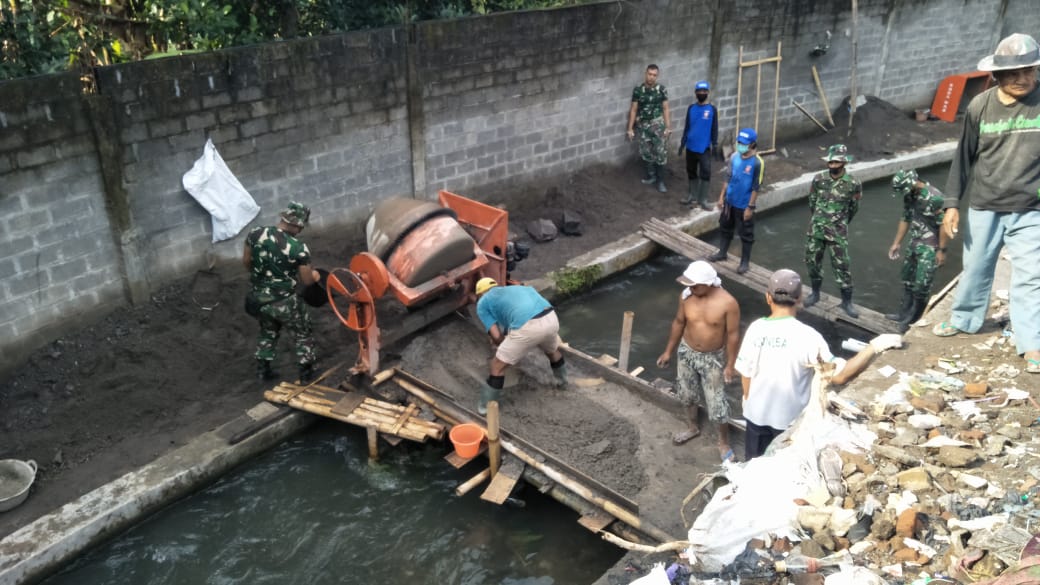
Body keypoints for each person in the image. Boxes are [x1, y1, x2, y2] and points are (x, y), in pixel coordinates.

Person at [932, 33, 1040, 375]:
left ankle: (1031, 340)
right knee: (976, 267)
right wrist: (951, 203)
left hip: (1030, 208)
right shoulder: (980, 107)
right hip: (985, 205)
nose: (1022, 79)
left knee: (1032, 276)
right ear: (997, 76)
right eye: (1013, 73)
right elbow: (962, 158)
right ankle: (965, 318)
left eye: (1029, 71)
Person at [735, 269, 884, 460]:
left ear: (768, 297)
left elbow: (746, 373)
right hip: (789, 423)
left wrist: (749, 400)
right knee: (785, 470)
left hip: (756, 416)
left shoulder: (756, 329)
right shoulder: (808, 336)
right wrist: (873, 347)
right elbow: (839, 376)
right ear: (799, 299)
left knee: (754, 468)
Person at [656, 261, 740, 462]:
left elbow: (733, 335)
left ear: (709, 283)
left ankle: (723, 442)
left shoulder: (728, 303)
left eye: (695, 285)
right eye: (689, 285)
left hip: (712, 358)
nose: (690, 288)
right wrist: (668, 351)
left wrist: (730, 364)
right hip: (687, 352)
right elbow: (679, 322)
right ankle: (693, 427)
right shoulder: (686, 297)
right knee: (686, 393)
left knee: (716, 402)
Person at [243, 201, 320, 383]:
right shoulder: (298, 248)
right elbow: (307, 280)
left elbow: (247, 262)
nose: (300, 230)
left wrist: (263, 278)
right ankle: (306, 374)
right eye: (301, 226)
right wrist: (315, 275)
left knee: (268, 332)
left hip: (259, 298)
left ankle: (263, 372)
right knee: (303, 332)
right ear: (297, 224)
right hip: (284, 301)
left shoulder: (255, 234)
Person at [474, 277, 567, 415]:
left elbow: (496, 335)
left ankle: (485, 408)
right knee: (552, 351)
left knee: (496, 366)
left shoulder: (483, 302)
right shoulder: (519, 288)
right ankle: (562, 383)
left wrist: (501, 346)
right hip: (551, 318)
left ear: (480, 293)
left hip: (529, 326)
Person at [803, 144, 863, 318]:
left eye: (836, 161)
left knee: (842, 266)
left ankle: (847, 302)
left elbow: (854, 207)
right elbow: (812, 202)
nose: (832, 164)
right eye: (830, 160)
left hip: (838, 232)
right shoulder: (819, 179)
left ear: (843, 162)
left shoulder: (853, 183)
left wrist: (840, 222)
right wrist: (819, 219)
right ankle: (815, 293)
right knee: (812, 262)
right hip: (816, 229)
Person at [885, 168, 948, 332]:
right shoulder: (910, 195)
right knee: (908, 279)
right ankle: (903, 313)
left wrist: (942, 250)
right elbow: (905, 218)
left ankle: (913, 318)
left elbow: (944, 225)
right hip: (915, 243)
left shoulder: (936, 197)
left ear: (913, 183)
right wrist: (896, 242)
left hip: (930, 246)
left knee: (922, 284)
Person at [708, 128, 763, 274]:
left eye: (743, 143)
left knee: (746, 234)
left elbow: (756, 187)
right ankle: (722, 253)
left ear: (752, 144)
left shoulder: (757, 163)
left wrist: (750, 207)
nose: (740, 145)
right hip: (729, 202)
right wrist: (721, 198)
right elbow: (728, 178)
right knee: (725, 227)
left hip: (743, 204)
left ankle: (744, 262)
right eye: (739, 142)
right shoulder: (734, 157)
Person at [627, 64, 672, 193]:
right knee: (646, 153)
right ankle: (651, 176)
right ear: (645, 74)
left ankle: (661, 181)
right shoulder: (638, 90)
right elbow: (634, 109)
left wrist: (668, 127)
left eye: (654, 75)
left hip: (657, 125)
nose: (651, 77)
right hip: (643, 126)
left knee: (660, 153)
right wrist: (630, 129)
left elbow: (666, 108)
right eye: (649, 74)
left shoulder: (661, 90)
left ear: (657, 76)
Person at [677, 80, 719, 210]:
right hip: (691, 146)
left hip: (704, 147)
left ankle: (703, 200)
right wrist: (682, 143)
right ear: (696, 93)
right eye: (699, 91)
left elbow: (714, 128)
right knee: (691, 171)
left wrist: (715, 144)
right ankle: (692, 196)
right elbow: (687, 127)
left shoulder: (712, 110)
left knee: (705, 172)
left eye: (704, 91)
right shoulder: (691, 108)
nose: (701, 93)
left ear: (707, 93)